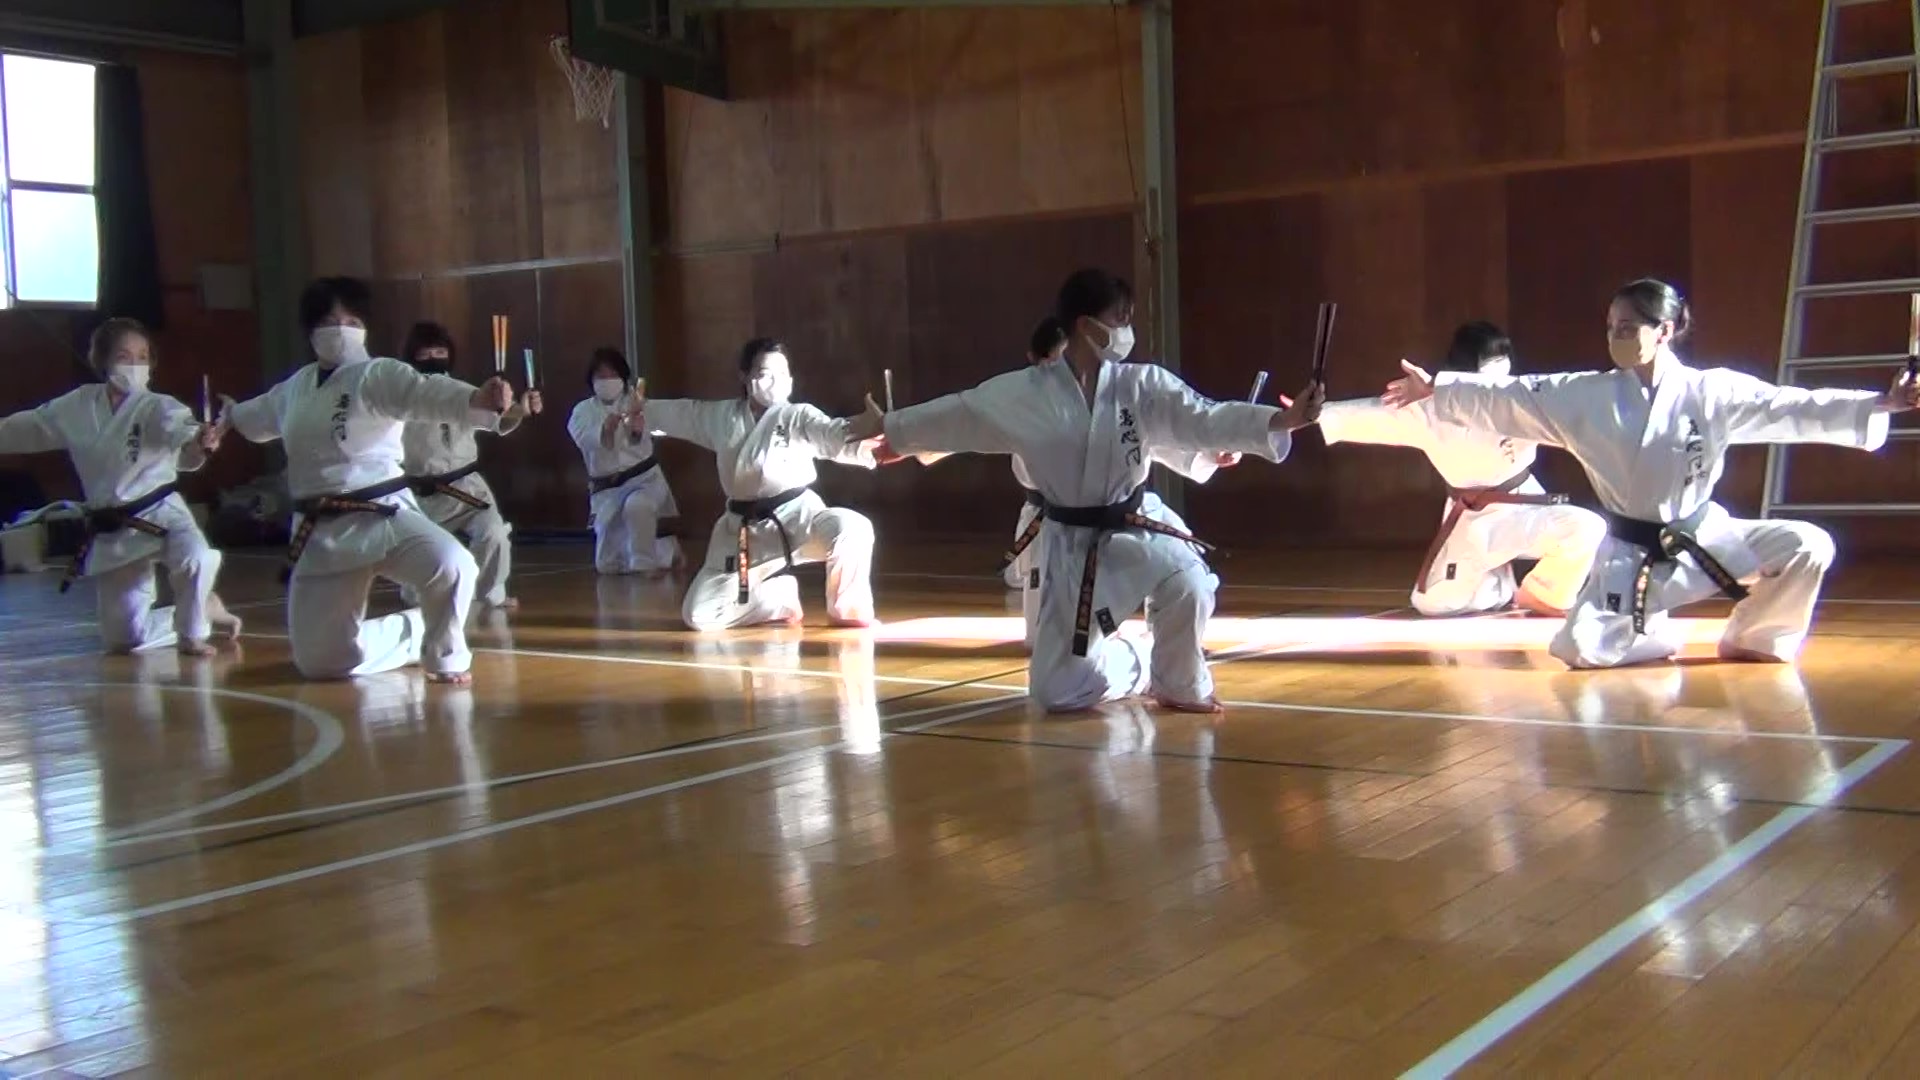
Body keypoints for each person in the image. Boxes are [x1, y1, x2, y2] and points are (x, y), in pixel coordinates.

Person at [1384, 277, 1919, 668]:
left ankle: (1754, 637)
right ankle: (1650, 632)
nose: (1615, 336)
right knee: (1578, 649)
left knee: (1807, 544)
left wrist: (1883, 404)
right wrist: (1439, 387)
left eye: (1627, 327)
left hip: (1705, 542)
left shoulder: (1712, 391)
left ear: (1663, 331)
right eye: (1610, 327)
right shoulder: (1585, 396)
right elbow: (1513, 395)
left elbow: (1790, 406)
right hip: (1631, 558)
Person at [853, 268, 1323, 713]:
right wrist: (895, 430)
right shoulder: (1026, 394)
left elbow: (1204, 416)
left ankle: (1180, 680)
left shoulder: (1141, 384)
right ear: (1086, 326)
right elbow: (962, 412)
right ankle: (1138, 664)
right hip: (1073, 548)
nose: (1126, 330)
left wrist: (1283, 419)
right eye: (1119, 318)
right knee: (1055, 691)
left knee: (1190, 582)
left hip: (1137, 526)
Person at [220, 277, 512, 684]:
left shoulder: (378, 374)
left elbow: (425, 391)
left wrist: (476, 398)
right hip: (320, 532)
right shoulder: (294, 389)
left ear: (365, 327)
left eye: (352, 320)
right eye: (329, 321)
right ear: (310, 330)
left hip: (383, 515)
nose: (341, 329)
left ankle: (446, 655)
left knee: (453, 563)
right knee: (322, 662)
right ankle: (412, 634)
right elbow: (251, 418)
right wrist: (226, 419)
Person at [1319, 320, 1605, 617]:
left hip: (1525, 509)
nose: (1500, 365)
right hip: (1475, 523)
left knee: (1587, 527)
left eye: (1503, 357)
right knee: (1435, 602)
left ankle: (1543, 593)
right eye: (1490, 359)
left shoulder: (1519, 400)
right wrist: (1315, 414)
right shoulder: (1430, 409)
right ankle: (1496, 583)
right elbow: (1370, 414)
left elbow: (1568, 395)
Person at [0, 318, 239, 655]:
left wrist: (201, 439)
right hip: (112, 526)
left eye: (143, 357)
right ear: (103, 360)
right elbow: (25, 427)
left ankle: (193, 631)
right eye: (125, 356)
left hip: (160, 513)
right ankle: (205, 608)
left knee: (197, 556)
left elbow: (182, 432)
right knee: (125, 638)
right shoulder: (76, 406)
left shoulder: (159, 406)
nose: (135, 365)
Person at [632, 337, 880, 630]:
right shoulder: (721, 417)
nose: (774, 381)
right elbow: (684, 413)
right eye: (764, 373)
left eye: (782, 374)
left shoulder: (797, 416)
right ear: (745, 377)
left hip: (798, 518)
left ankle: (846, 609)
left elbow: (832, 433)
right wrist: (642, 412)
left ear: (790, 379)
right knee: (700, 614)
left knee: (852, 527)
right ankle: (777, 599)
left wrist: (875, 435)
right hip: (741, 530)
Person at [399, 321, 542, 610]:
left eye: (440, 351)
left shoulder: (463, 392)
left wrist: (521, 410)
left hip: (465, 488)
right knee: (417, 589)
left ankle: (488, 593)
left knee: (493, 533)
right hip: (420, 493)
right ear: (413, 356)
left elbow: (497, 419)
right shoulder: (400, 398)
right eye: (426, 353)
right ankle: (423, 592)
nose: (433, 358)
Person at [564, 348, 681, 576]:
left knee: (637, 506)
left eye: (613, 375)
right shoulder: (582, 411)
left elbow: (654, 431)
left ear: (623, 377)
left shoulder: (637, 404)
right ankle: (668, 551)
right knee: (607, 565)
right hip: (607, 488)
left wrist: (639, 427)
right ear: (591, 379)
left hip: (644, 479)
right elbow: (585, 440)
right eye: (601, 375)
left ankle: (644, 564)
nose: (607, 380)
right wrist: (606, 430)